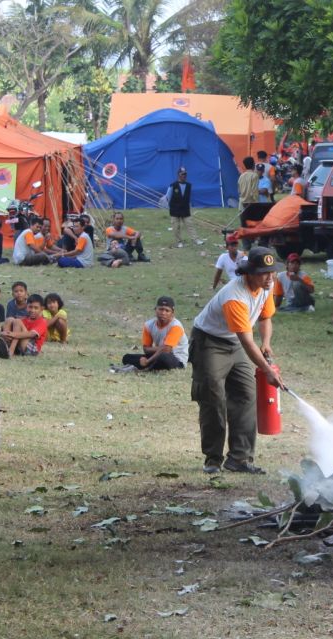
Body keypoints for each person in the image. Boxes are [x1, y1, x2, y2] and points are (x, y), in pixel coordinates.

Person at [189, 245, 284, 475]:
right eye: (264, 272)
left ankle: (239, 459)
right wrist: (267, 370)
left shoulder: (266, 286)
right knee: (213, 398)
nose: (270, 277)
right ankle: (212, 459)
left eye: (272, 272)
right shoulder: (235, 297)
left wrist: (267, 342)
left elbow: (265, 317)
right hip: (210, 342)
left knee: (246, 394)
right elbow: (246, 341)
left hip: (235, 341)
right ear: (249, 272)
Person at [121, 295, 188, 372]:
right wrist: (161, 348)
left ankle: (146, 368)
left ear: (172, 313)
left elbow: (167, 350)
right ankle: (149, 365)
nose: (163, 313)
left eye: (167, 310)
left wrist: (148, 361)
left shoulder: (176, 326)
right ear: (155, 309)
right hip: (157, 355)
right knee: (126, 357)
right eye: (161, 309)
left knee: (163, 357)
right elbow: (146, 349)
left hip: (176, 359)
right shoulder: (149, 325)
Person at [0, 294, 47, 358]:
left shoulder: (42, 322)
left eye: (36, 308)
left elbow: (31, 334)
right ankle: (5, 346)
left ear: (42, 309)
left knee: (17, 321)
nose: (32, 310)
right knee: (9, 319)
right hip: (20, 348)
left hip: (32, 350)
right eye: (30, 307)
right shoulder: (24, 319)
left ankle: (11, 351)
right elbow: (3, 328)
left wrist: (12, 334)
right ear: (26, 307)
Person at [166, 166, 194, 247]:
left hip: (185, 209)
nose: (184, 176)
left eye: (185, 174)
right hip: (175, 209)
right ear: (178, 175)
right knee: (176, 227)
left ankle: (195, 239)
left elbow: (188, 198)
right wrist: (170, 206)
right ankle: (179, 242)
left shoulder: (189, 185)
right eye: (182, 174)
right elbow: (168, 197)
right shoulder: (173, 185)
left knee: (190, 224)